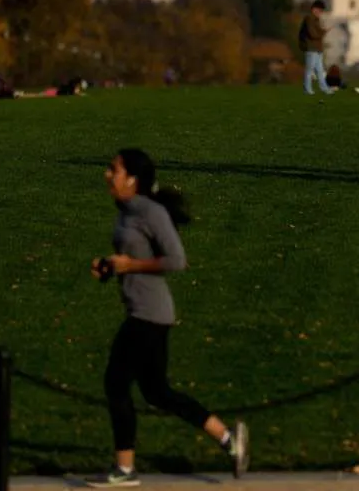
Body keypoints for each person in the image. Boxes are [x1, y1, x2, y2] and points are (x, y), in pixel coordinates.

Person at [87, 148, 249, 487]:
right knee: (157, 392)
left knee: (116, 383)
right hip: (145, 311)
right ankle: (229, 440)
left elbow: (176, 260)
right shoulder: (125, 211)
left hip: (149, 314)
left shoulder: (150, 211)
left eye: (112, 169)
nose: (107, 175)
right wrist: (108, 267)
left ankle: (125, 469)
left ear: (132, 179)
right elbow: (132, 255)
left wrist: (130, 265)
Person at [298, 0, 334, 95]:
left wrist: (323, 31)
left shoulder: (315, 19)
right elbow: (312, 34)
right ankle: (307, 89)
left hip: (317, 48)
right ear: (314, 9)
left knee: (320, 71)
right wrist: (323, 32)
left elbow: (317, 32)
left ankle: (325, 89)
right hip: (311, 48)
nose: (321, 13)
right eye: (320, 10)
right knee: (310, 70)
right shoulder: (309, 19)